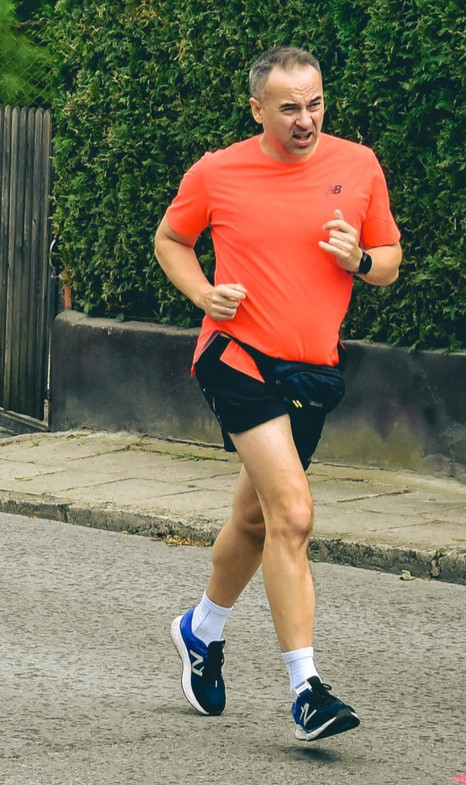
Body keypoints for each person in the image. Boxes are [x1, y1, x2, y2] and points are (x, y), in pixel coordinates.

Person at [156, 46, 401, 743]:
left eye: (315, 102)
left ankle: (198, 631)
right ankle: (305, 689)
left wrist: (359, 259)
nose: (305, 118)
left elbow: (388, 260)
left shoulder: (357, 165)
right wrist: (203, 292)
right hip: (235, 357)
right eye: (288, 106)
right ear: (257, 108)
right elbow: (170, 239)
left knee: (257, 518)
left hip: (312, 370)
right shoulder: (217, 170)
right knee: (291, 512)